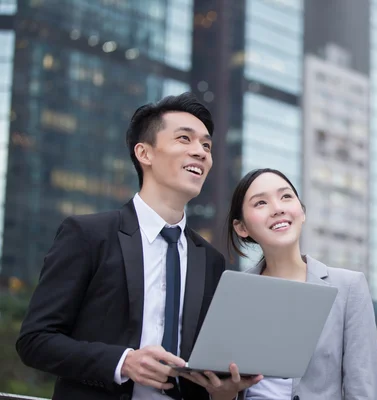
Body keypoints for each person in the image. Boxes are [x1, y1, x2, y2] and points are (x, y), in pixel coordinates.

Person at [16, 93, 261, 400]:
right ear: (144, 153)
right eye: (184, 139)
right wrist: (124, 362)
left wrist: (223, 388)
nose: (200, 152)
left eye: (206, 145)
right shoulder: (88, 235)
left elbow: (205, 359)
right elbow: (35, 341)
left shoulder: (210, 259)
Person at [225, 168, 377, 400]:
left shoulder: (348, 288)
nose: (278, 208)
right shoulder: (232, 293)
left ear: (302, 211)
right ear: (241, 227)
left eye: (286, 196)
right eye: (260, 203)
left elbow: (363, 389)